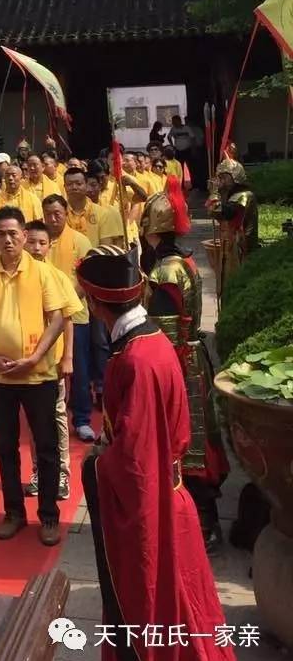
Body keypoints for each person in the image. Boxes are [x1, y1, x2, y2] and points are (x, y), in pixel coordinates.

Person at [77, 253, 241, 661]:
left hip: (155, 512)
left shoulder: (136, 359)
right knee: (187, 612)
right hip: (170, 497)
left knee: (156, 613)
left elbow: (135, 460)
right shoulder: (151, 342)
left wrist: (97, 465)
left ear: (96, 302)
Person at [0, 207, 67, 546]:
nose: (8, 239)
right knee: (5, 446)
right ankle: (14, 513)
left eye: (13, 233)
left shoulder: (43, 274)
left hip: (38, 376)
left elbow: (56, 318)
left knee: (47, 446)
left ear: (24, 235)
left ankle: (49, 515)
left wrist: (36, 356)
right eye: (1, 234)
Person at [141, 186, 230, 552]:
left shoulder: (164, 270)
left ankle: (205, 524)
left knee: (189, 445)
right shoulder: (187, 262)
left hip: (178, 363)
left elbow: (162, 332)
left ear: (153, 230)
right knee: (196, 441)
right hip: (194, 357)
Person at [23, 221, 81, 500]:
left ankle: (62, 475)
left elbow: (67, 320)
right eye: (31, 242)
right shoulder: (16, 275)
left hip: (51, 362)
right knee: (34, 421)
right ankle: (38, 471)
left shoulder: (57, 277)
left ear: (48, 246)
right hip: (24, 364)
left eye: (41, 243)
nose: (35, 248)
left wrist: (67, 357)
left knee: (56, 417)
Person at [42, 194, 97, 443]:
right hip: (42, 317)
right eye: (48, 214)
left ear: (66, 213)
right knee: (47, 367)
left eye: (58, 213)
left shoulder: (80, 241)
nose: (53, 219)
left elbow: (86, 280)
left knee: (78, 368)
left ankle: (82, 419)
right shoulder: (38, 241)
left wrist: (63, 304)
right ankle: (49, 417)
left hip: (76, 315)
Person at [209, 158, 259, 287]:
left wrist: (214, 192)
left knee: (234, 284)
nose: (221, 181)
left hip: (240, 248)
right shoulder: (232, 196)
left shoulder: (243, 196)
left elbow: (221, 211)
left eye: (224, 177)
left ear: (235, 177)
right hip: (230, 245)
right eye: (220, 178)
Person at [64, 166, 125, 248]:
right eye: (69, 184)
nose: (74, 187)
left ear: (86, 185)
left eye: (78, 184)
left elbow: (106, 248)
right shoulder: (59, 213)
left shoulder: (103, 213)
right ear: (64, 187)